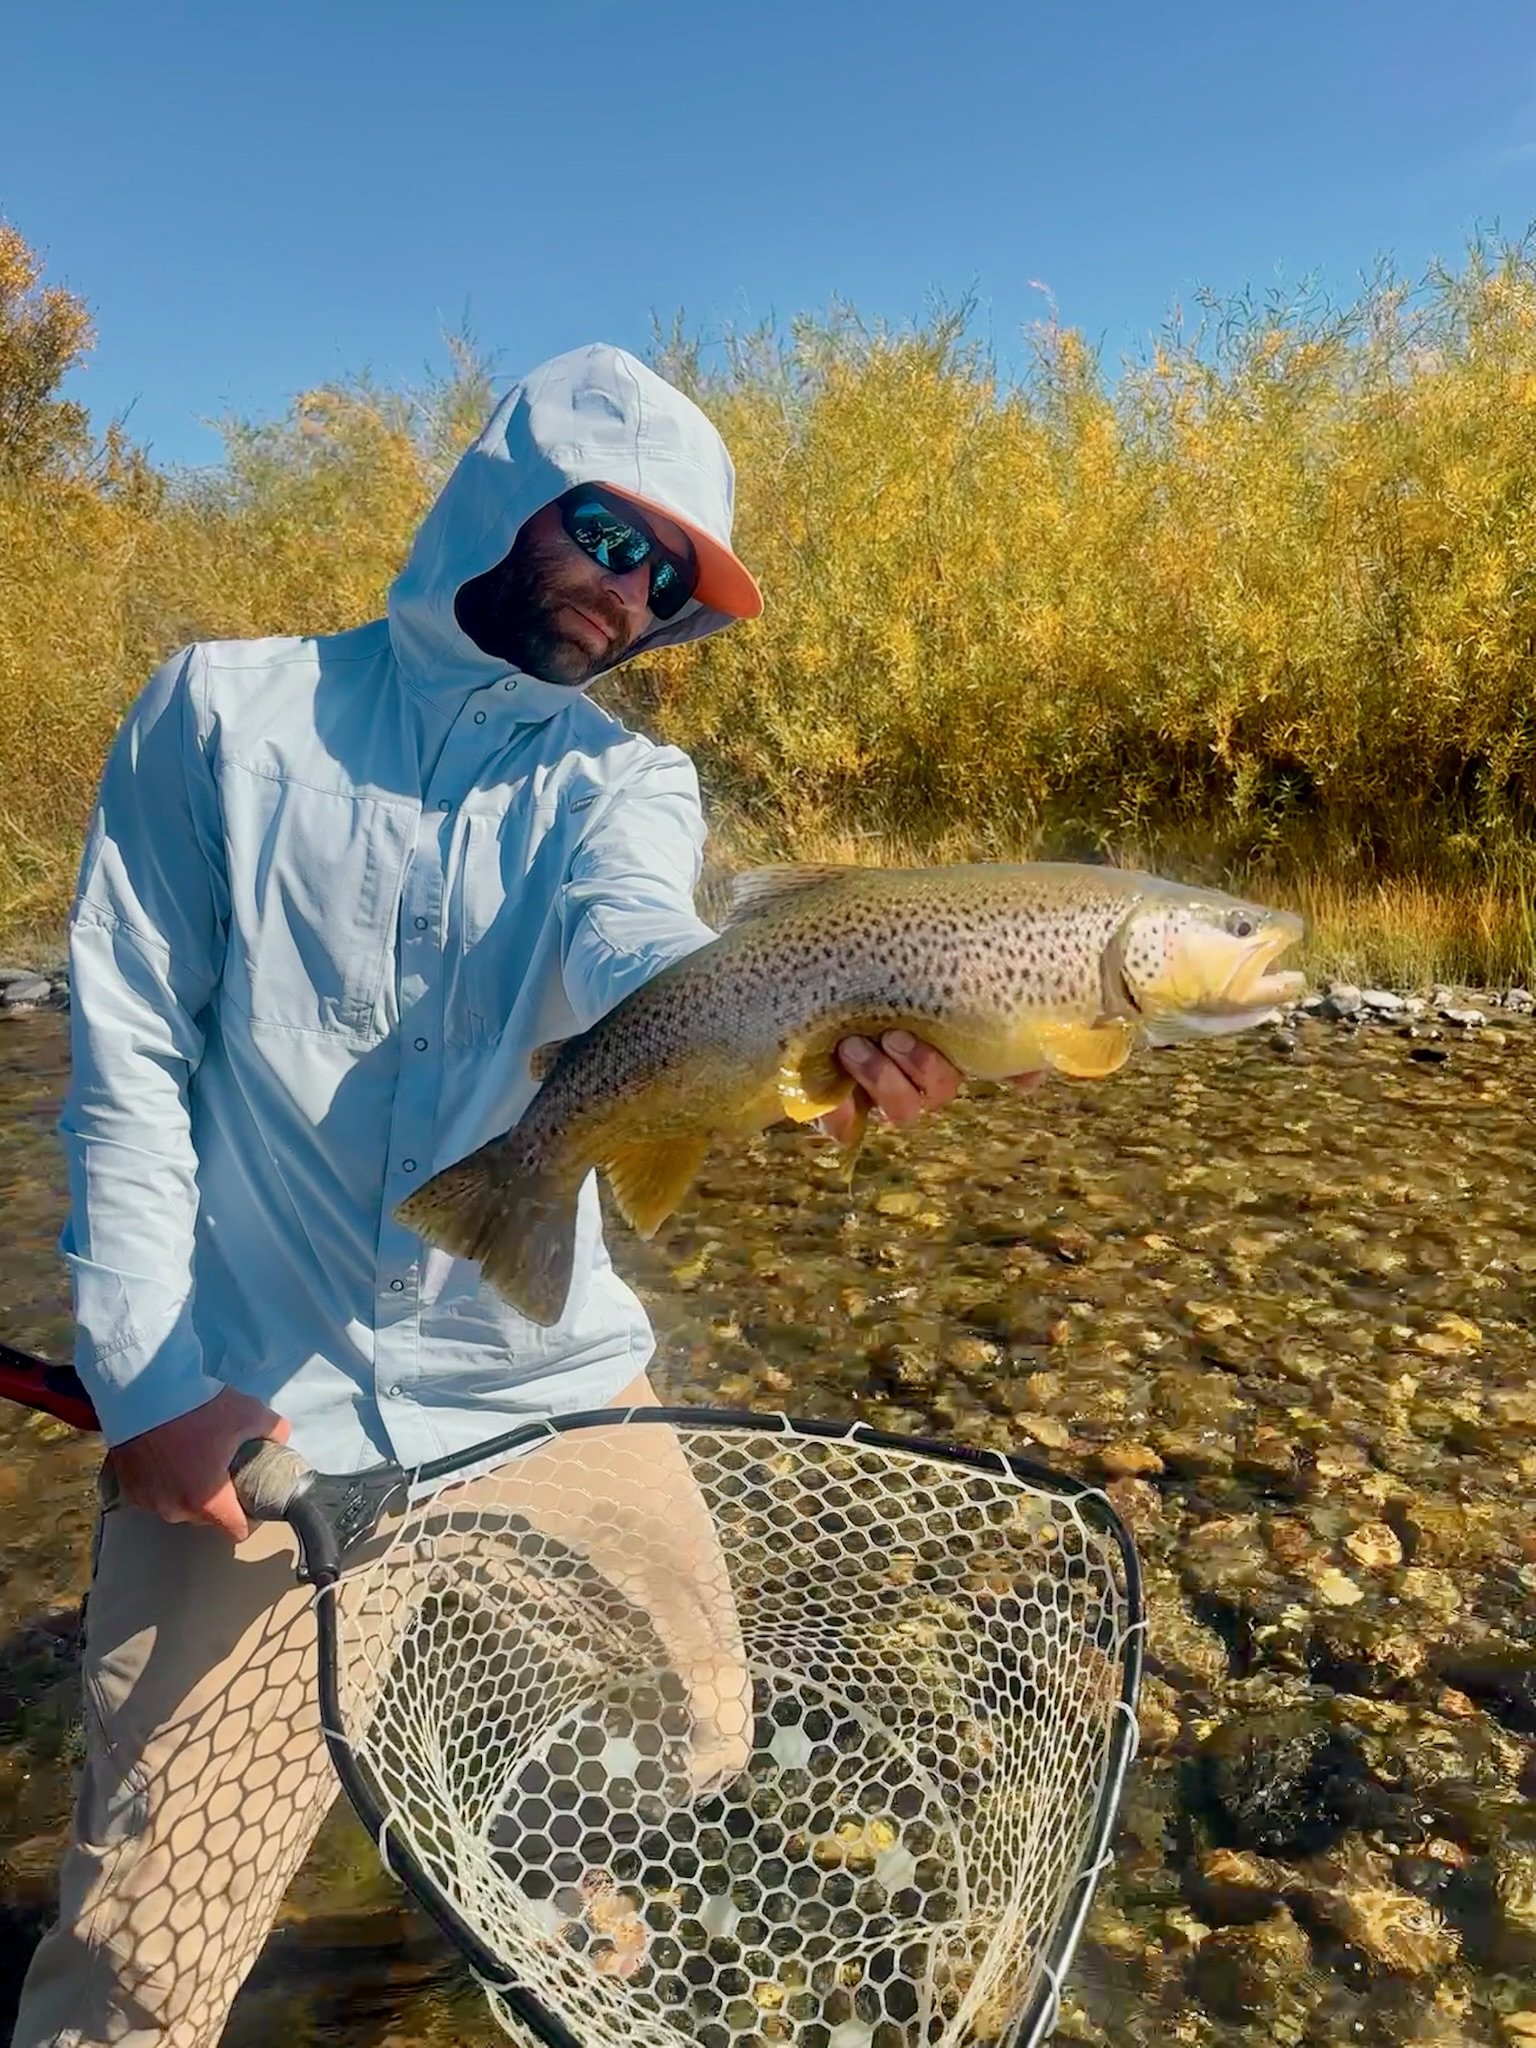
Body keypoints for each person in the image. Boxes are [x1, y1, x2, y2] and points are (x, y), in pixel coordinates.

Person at [14, 344, 1023, 2047]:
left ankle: (499, 1876)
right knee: (134, 1973)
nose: (632, 594)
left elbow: (641, 941)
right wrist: (153, 1386)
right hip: (258, 1401)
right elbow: (127, 1067)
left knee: (693, 1730)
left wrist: (817, 1017)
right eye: (606, 535)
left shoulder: (624, 786)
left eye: (669, 577)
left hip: (544, 1383)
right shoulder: (218, 714)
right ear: (500, 500)